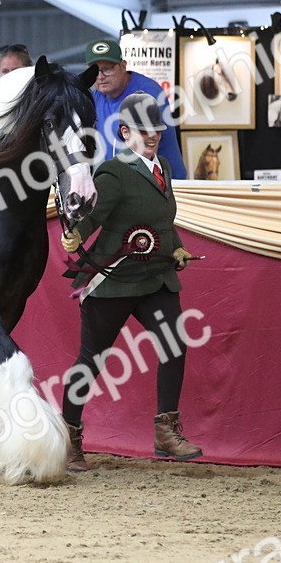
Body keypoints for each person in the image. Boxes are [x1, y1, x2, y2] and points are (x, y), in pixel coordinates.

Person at [59, 91, 203, 472]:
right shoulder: (114, 171)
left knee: (175, 344)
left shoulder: (165, 168)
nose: (152, 135)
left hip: (155, 277)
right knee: (92, 360)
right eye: (143, 129)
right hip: (115, 281)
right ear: (125, 132)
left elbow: (161, 222)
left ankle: (165, 431)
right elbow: (93, 216)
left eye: (156, 128)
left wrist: (177, 248)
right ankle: (68, 435)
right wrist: (75, 233)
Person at [84, 37, 188, 178]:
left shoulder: (147, 94)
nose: (100, 76)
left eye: (107, 69)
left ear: (123, 65)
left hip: (162, 184)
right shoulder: (97, 96)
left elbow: (147, 151)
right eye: (95, 71)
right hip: (122, 182)